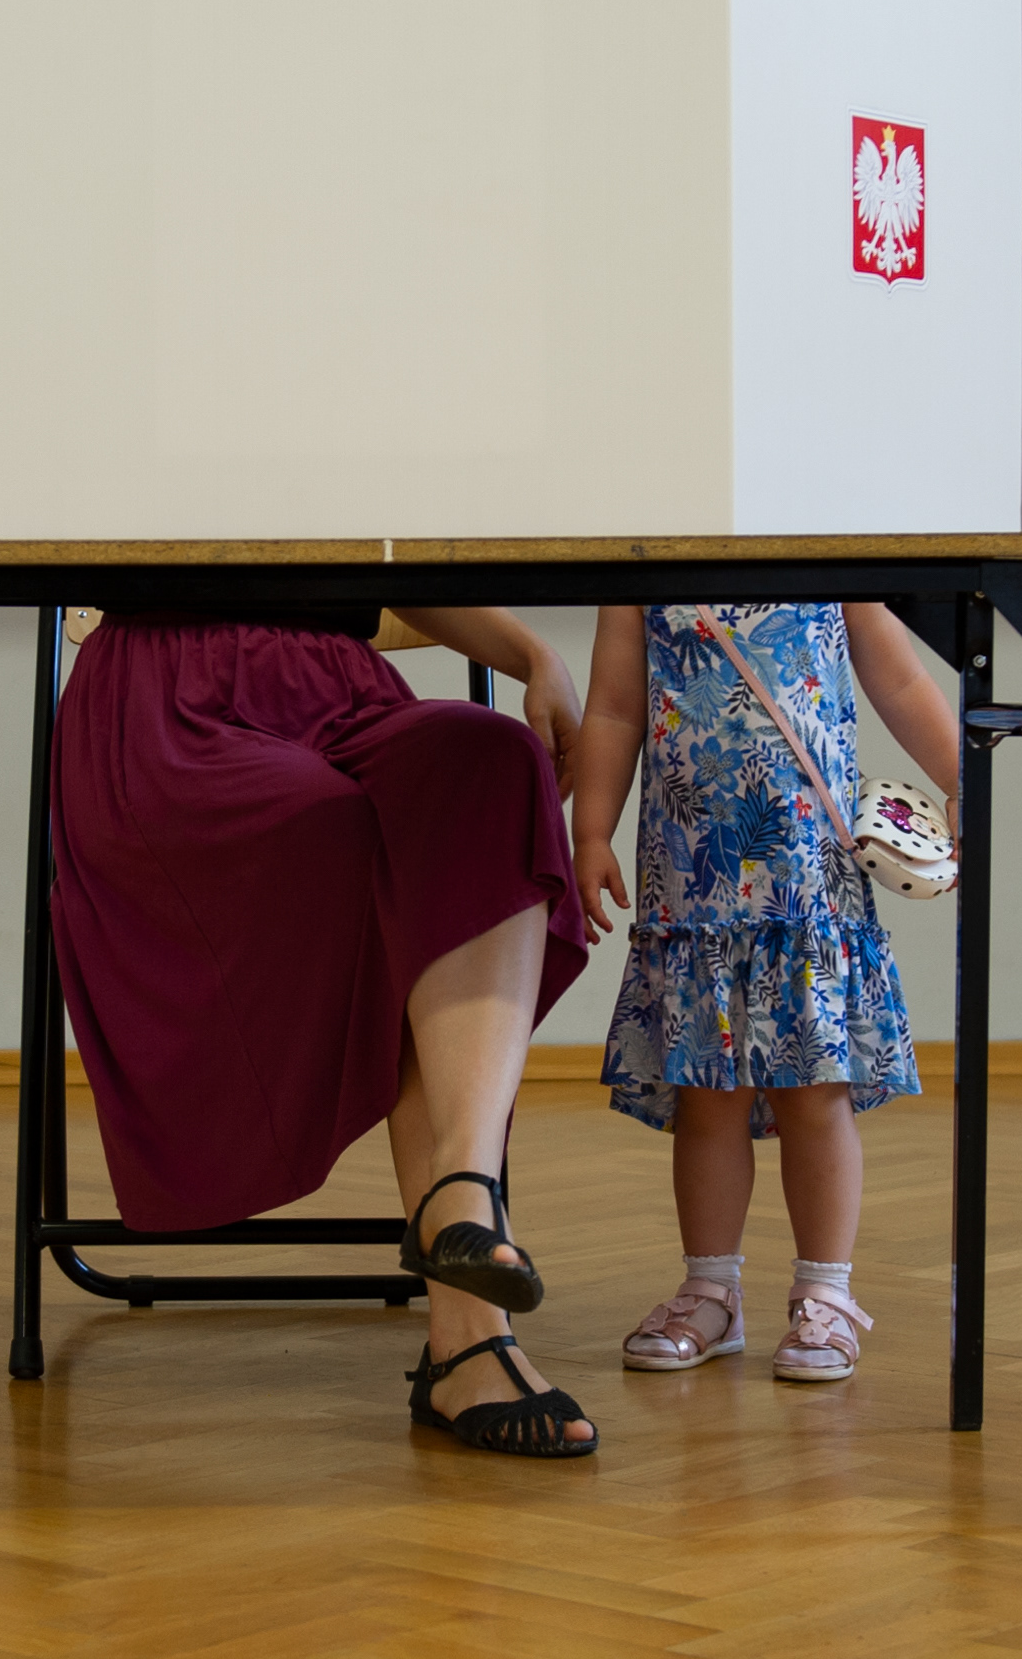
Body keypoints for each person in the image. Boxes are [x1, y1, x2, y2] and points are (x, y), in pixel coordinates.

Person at [51, 600, 598, 1456]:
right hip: (161, 702)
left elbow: (393, 560)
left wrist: (535, 651)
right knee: (365, 840)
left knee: (488, 763)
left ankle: (460, 1204)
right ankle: (470, 1333)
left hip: (340, 692)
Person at [570, 600, 959, 1383]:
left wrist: (959, 779)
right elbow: (612, 709)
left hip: (808, 885)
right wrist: (590, 830)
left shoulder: (826, 553)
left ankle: (825, 1293)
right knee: (704, 1095)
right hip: (689, 881)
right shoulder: (647, 574)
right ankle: (709, 1288)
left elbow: (901, 676)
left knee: (815, 1091)